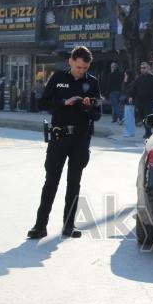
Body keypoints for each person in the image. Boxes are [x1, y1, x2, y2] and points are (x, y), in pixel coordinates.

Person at [28, 46, 101, 239]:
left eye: (85, 68)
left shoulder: (92, 83)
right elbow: (42, 103)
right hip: (59, 137)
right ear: (71, 61)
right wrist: (63, 103)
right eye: (78, 67)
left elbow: (98, 113)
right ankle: (40, 225)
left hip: (80, 138)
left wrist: (88, 107)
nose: (81, 71)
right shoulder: (58, 78)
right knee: (51, 181)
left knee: (74, 183)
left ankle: (69, 226)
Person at [130, 61, 153, 138]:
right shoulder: (139, 78)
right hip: (140, 101)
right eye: (141, 68)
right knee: (142, 117)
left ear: (148, 68)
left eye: (144, 68)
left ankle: (148, 132)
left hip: (150, 101)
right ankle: (147, 131)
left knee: (147, 117)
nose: (142, 69)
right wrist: (131, 96)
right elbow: (134, 88)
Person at [122, 70, 136, 137]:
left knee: (129, 117)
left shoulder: (132, 83)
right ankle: (130, 131)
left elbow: (131, 92)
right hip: (127, 101)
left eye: (126, 75)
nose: (125, 77)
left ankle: (130, 132)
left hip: (130, 102)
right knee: (128, 117)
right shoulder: (128, 83)